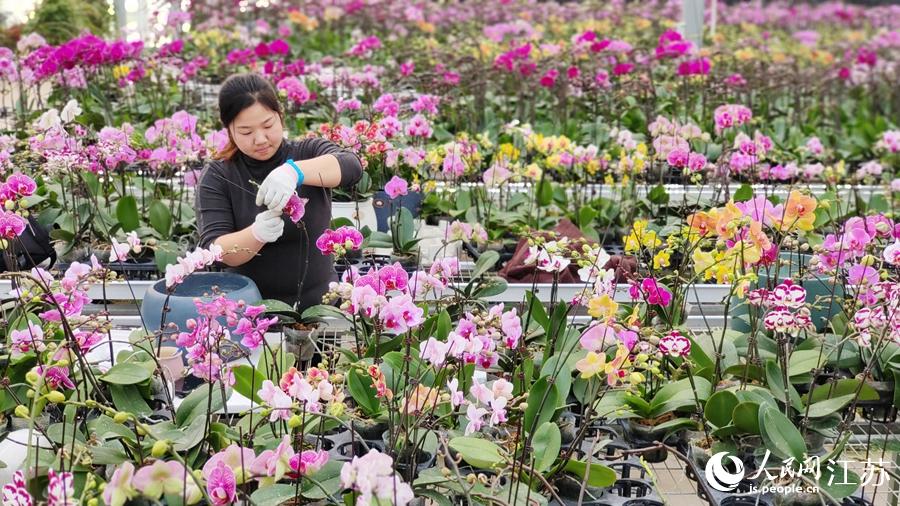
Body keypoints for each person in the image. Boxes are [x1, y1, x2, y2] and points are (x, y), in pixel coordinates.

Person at [196, 73, 363, 312]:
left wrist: (295, 171)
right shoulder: (219, 176)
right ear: (229, 129)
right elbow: (216, 249)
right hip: (249, 313)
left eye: (268, 125)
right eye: (246, 132)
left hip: (321, 308)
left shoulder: (307, 152)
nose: (260, 139)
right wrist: (255, 234)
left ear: (280, 116)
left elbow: (351, 166)